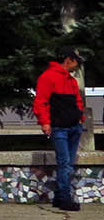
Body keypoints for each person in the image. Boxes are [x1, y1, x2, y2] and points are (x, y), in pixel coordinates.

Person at [33, 48, 86, 211]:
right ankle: (64, 197)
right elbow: (40, 102)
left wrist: (80, 117)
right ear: (69, 60)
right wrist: (45, 123)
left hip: (73, 126)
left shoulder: (71, 80)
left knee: (67, 163)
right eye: (77, 62)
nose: (77, 66)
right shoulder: (48, 77)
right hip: (60, 128)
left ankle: (59, 197)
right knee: (65, 164)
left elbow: (77, 100)